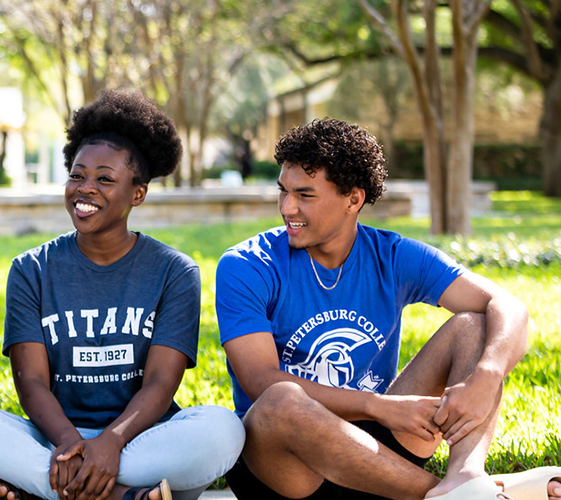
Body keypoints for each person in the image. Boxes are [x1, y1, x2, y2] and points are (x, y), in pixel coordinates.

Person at [0, 89, 243, 500]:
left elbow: (162, 382)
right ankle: (123, 496)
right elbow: (31, 380)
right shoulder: (32, 269)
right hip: (53, 439)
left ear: (138, 193)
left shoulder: (173, 271)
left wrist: (110, 443)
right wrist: (68, 444)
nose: (84, 189)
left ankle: (45, 488)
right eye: (77, 175)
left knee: (224, 430)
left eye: (105, 179)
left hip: (141, 440)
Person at [216, 118, 557, 500]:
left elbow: (508, 307)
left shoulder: (391, 256)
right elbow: (260, 381)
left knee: (473, 327)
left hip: (377, 454)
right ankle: (474, 494)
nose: (287, 207)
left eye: (305, 195)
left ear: (354, 199)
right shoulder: (247, 264)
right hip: (287, 469)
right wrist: (379, 406)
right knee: (280, 400)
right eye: (283, 191)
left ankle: (465, 476)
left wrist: (486, 376)